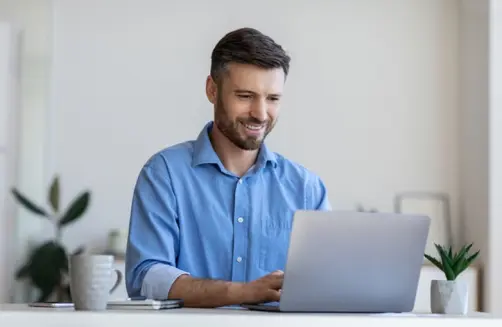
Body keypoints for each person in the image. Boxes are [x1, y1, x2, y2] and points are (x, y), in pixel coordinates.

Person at [125, 27, 331, 308]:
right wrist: (244, 292)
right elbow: (145, 277)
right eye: (245, 96)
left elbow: (328, 283)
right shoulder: (165, 174)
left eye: (273, 99)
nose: (260, 113)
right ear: (212, 89)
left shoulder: (307, 189)